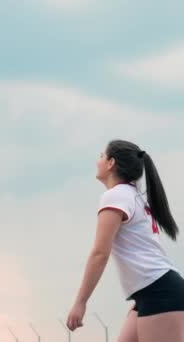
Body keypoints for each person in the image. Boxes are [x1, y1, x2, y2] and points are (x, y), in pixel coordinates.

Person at [66, 139, 184, 341]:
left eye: (102, 156)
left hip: (160, 293)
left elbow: (100, 253)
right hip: (152, 292)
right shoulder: (133, 196)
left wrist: (80, 302)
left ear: (111, 163)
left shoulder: (116, 196)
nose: (99, 160)